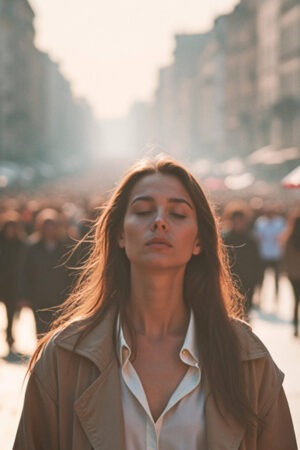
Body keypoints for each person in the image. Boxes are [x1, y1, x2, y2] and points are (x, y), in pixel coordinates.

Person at [13, 156, 297, 449]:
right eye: (144, 210)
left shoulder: (248, 359)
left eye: (177, 214)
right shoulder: (64, 357)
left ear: (199, 240)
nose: (159, 222)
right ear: (121, 233)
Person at [21, 208, 74, 336]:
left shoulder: (66, 246)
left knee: (58, 333)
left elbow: (72, 272)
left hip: (61, 297)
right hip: (39, 297)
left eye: (52, 226)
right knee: (41, 332)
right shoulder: (32, 246)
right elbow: (25, 272)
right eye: (46, 226)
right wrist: (24, 296)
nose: (50, 230)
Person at [223, 208, 261, 315]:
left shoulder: (251, 239)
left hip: (248, 282)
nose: (238, 223)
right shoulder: (224, 238)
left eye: (240, 220)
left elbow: (257, 261)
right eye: (236, 220)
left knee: (245, 312)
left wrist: (258, 280)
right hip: (229, 282)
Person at [0, 211, 26, 353]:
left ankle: (9, 337)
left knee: (11, 313)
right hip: (2, 283)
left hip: (13, 285)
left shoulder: (21, 244)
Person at [254, 206, 286, 303]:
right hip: (263, 254)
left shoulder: (280, 222)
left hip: (276, 254)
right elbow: (257, 236)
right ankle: (259, 296)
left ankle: (276, 297)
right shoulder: (260, 222)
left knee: (277, 278)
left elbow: (284, 236)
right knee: (261, 277)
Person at [283, 214, 300, 337]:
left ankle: (295, 327)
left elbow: (286, 258)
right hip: (294, 274)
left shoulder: (289, 238)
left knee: (296, 300)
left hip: (293, 275)